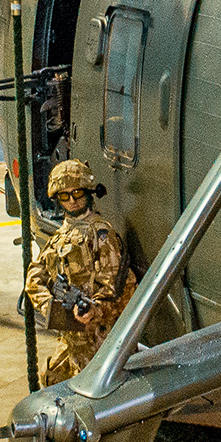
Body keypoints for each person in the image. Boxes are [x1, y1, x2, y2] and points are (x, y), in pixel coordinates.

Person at [24, 159, 137, 387]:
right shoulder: (62, 235)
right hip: (71, 338)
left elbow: (122, 290)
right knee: (53, 382)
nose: (72, 200)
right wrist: (51, 307)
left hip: (100, 341)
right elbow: (35, 278)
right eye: (65, 196)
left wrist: (95, 309)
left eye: (77, 193)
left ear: (88, 192)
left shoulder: (101, 234)